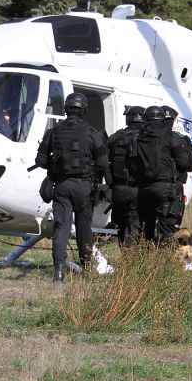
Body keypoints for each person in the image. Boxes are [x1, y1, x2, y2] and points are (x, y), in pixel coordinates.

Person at [35, 92, 112, 282]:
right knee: (84, 228)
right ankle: (86, 270)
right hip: (84, 187)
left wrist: (57, 163)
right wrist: (111, 185)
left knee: (61, 227)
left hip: (61, 185)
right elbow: (103, 163)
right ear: (83, 110)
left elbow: (40, 160)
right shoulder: (92, 133)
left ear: (66, 110)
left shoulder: (53, 132)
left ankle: (59, 273)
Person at [135, 105, 192, 244]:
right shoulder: (171, 137)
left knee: (146, 230)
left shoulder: (139, 138)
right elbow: (186, 164)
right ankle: (165, 262)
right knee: (167, 230)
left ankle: (145, 261)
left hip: (144, 190)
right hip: (166, 189)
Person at [107, 106, 145, 248]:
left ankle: (125, 253)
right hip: (138, 189)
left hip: (119, 188)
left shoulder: (117, 137)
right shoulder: (147, 137)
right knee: (135, 223)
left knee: (121, 223)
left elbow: (104, 158)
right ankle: (131, 258)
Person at [161, 105, 192, 243]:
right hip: (172, 188)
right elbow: (187, 164)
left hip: (148, 188)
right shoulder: (175, 138)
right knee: (170, 227)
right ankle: (168, 258)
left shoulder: (146, 136)